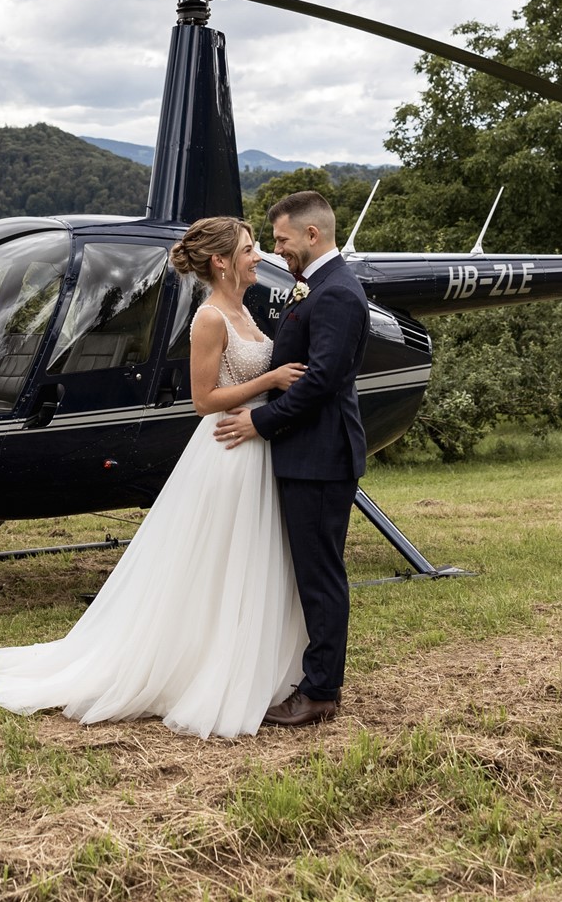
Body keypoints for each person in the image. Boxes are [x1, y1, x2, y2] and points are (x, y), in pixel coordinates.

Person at [0, 215, 309, 739]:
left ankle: (252, 660)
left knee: (250, 561)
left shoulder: (244, 309)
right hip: (227, 450)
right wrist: (272, 379)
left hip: (256, 445)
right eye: (250, 250)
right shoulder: (209, 319)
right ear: (220, 261)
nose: (258, 258)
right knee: (219, 565)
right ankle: (202, 668)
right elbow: (203, 400)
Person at [213, 191, 368, 728]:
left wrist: (258, 422)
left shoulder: (339, 294)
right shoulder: (319, 287)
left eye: (280, 240)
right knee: (308, 573)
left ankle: (322, 691)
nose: (276, 252)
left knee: (321, 576)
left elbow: (322, 380)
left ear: (311, 235)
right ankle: (309, 677)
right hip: (305, 454)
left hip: (322, 456)